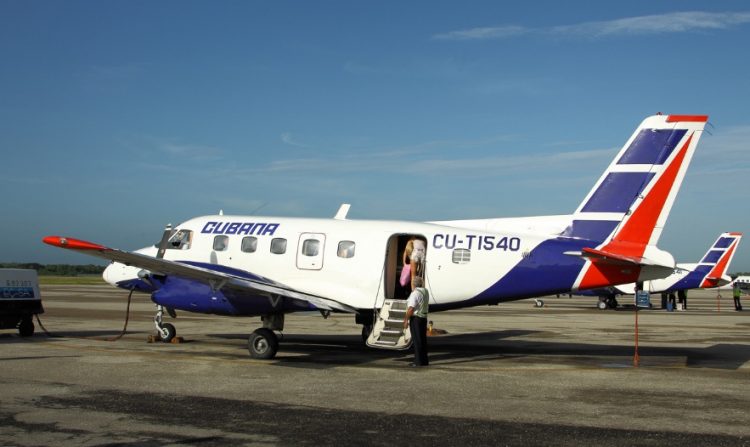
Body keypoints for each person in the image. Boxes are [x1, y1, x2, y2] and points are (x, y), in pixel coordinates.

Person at [403, 276, 429, 367]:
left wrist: (406, 319)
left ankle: (418, 362)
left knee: (417, 340)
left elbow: (411, 309)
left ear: (413, 284)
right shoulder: (425, 291)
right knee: (422, 340)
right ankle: (424, 360)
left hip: (416, 318)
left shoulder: (415, 293)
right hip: (423, 318)